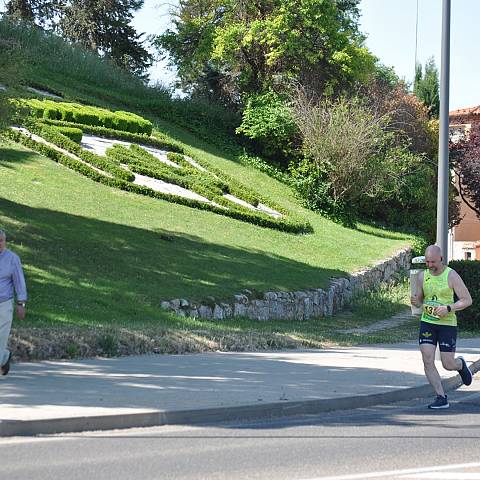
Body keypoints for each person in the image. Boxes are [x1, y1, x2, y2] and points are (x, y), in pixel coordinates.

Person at [411, 245, 473, 409]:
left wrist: (448, 308)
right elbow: (420, 299)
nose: (430, 265)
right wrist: (416, 301)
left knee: (448, 364)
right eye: (427, 261)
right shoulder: (422, 276)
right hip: (428, 322)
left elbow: (467, 300)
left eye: (433, 262)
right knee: (427, 358)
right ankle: (441, 396)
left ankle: (460, 364)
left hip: (447, 324)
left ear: (441, 259)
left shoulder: (451, 275)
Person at [0, 229, 27, 376]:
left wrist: (21, 303)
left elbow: (19, 282)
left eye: (1, 241)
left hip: (4, 304)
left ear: (5, 241)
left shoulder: (12, 258)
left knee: (1, 337)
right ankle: (4, 356)